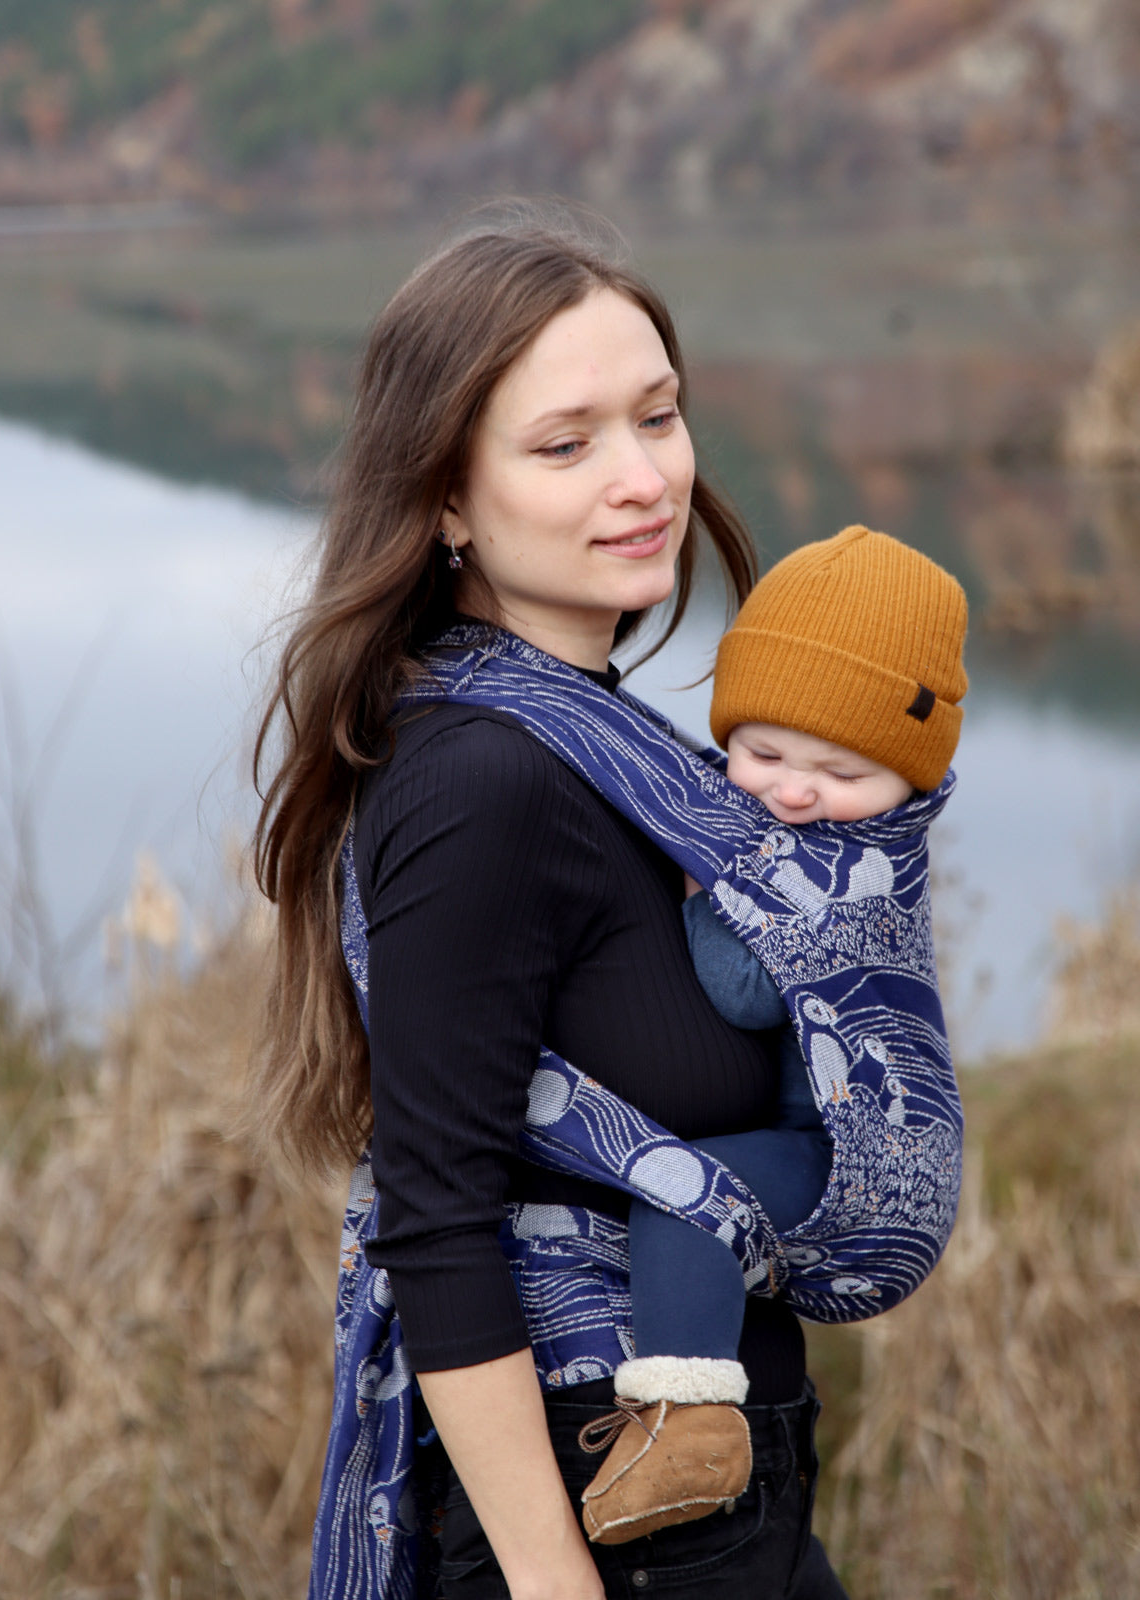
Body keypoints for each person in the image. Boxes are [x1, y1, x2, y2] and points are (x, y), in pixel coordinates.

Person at [252, 212, 851, 1600]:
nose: (642, 478)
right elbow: (437, 1206)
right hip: (608, 1526)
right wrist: (548, 1575)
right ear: (448, 498)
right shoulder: (484, 779)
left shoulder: (620, 758)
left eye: (659, 415)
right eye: (566, 443)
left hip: (715, 1490)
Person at [583, 526, 967, 1544]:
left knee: (686, 1195)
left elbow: (750, 989)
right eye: (761, 753)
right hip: (813, 1136)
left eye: (838, 770)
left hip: (848, 1157)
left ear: (908, 772)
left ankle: (689, 1432)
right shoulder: (803, 825)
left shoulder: (855, 870)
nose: (793, 792)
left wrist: (703, 889)